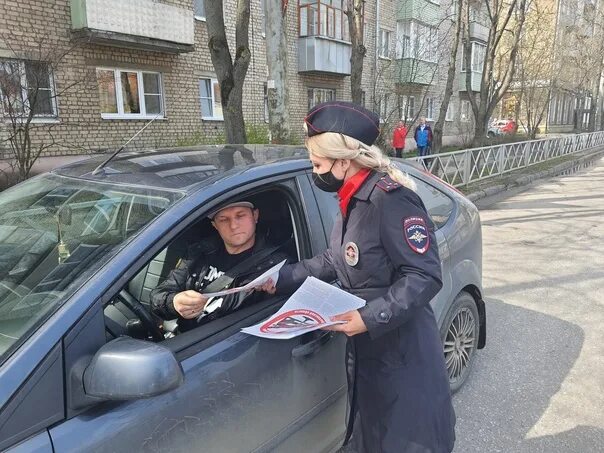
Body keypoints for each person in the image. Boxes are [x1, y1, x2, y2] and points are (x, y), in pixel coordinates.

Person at [259, 101, 455, 453]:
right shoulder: (351, 199)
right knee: (369, 436)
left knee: (404, 440)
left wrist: (369, 318)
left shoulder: (390, 201)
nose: (314, 172)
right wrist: (281, 278)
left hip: (402, 350)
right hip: (369, 350)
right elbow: (337, 259)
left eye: (318, 164)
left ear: (343, 162)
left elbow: (424, 276)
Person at [150, 201, 290, 333]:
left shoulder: (278, 263)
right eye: (223, 219)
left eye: (240, 215)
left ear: (255, 216)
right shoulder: (198, 253)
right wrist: (174, 303)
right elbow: (158, 295)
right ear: (215, 225)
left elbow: (281, 315)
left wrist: (271, 294)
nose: (233, 225)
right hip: (187, 339)